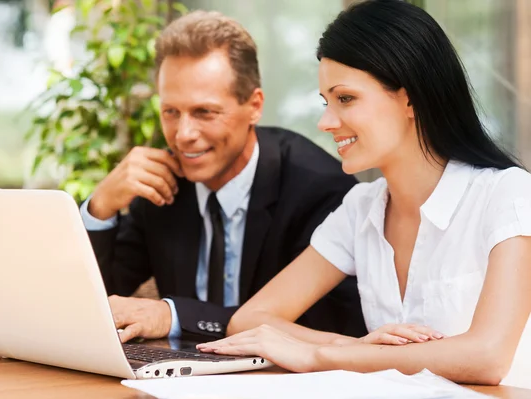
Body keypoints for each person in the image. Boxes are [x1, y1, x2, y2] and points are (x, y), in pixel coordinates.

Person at [197, 0, 531, 386]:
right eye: (326, 102)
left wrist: (319, 355)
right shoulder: (361, 208)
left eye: (345, 99)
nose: (326, 121)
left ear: (410, 98)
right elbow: (251, 319)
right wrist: (354, 348)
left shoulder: (507, 195)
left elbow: (487, 356)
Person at [81, 10, 366, 343]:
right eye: (171, 112)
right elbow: (96, 302)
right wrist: (100, 207)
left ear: (254, 106)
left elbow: (326, 327)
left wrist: (173, 316)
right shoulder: (163, 183)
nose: (183, 134)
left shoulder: (319, 188)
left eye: (204, 112)